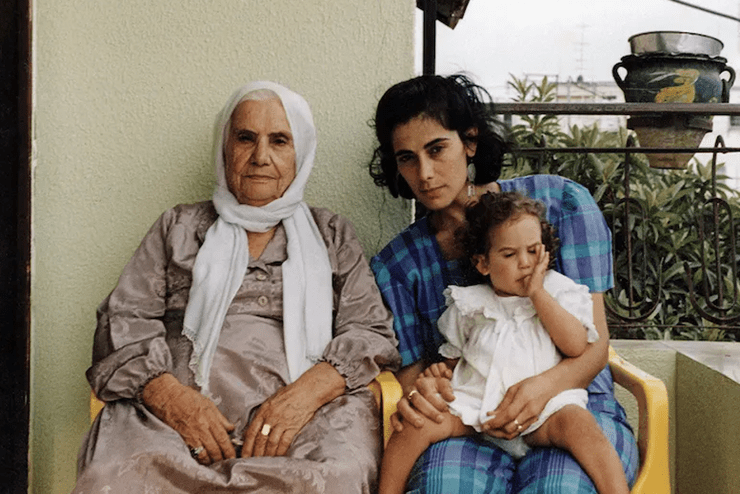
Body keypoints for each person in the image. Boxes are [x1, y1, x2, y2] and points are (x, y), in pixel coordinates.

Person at [73, 81, 401, 493]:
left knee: (335, 476)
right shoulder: (179, 227)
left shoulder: (330, 234)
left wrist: (302, 398)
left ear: (300, 153)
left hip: (305, 418)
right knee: (114, 475)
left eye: (279, 140)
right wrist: (171, 399)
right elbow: (123, 318)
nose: (260, 157)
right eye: (245, 138)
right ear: (224, 148)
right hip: (175, 419)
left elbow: (370, 331)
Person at [369, 74, 639, 493]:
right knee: (443, 486)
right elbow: (414, 374)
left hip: (572, 400)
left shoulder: (561, 205)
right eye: (406, 158)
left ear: (470, 142)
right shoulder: (398, 265)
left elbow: (594, 347)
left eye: (437, 149)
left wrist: (542, 388)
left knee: (560, 488)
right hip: (474, 411)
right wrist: (428, 384)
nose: (423, 173)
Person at [378, 191, 629, 494]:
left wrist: (538, 295)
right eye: (509, 255)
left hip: (546, 411)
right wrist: (439, 374)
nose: (525, 263)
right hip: (476, 408)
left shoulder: (559, 292)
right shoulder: (469, 304)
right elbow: (453, 356)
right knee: (413, 426)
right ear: (483, 263)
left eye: (533, 251)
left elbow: (577, 346)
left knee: (585, 431)